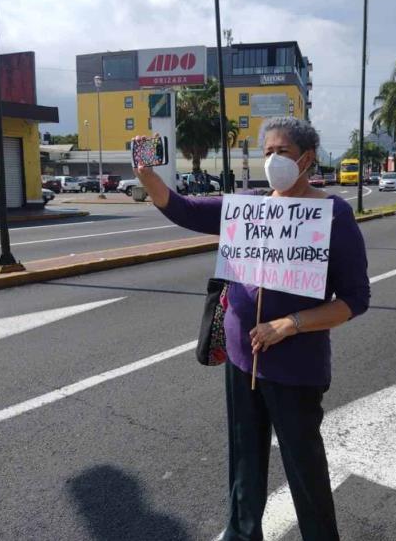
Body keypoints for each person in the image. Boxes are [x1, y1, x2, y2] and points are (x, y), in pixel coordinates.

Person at [133, 117, 370, 541]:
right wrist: (147, 174)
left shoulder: (333, 215)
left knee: (304, 466)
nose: (273, 161)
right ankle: (242, 532)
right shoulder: (249, 206)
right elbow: (183, 208)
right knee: (244, 457)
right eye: (267, 153)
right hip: (242, 361)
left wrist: (291, 324)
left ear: (307, 159)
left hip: (296, 370)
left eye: (282, 152)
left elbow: (355, 300)